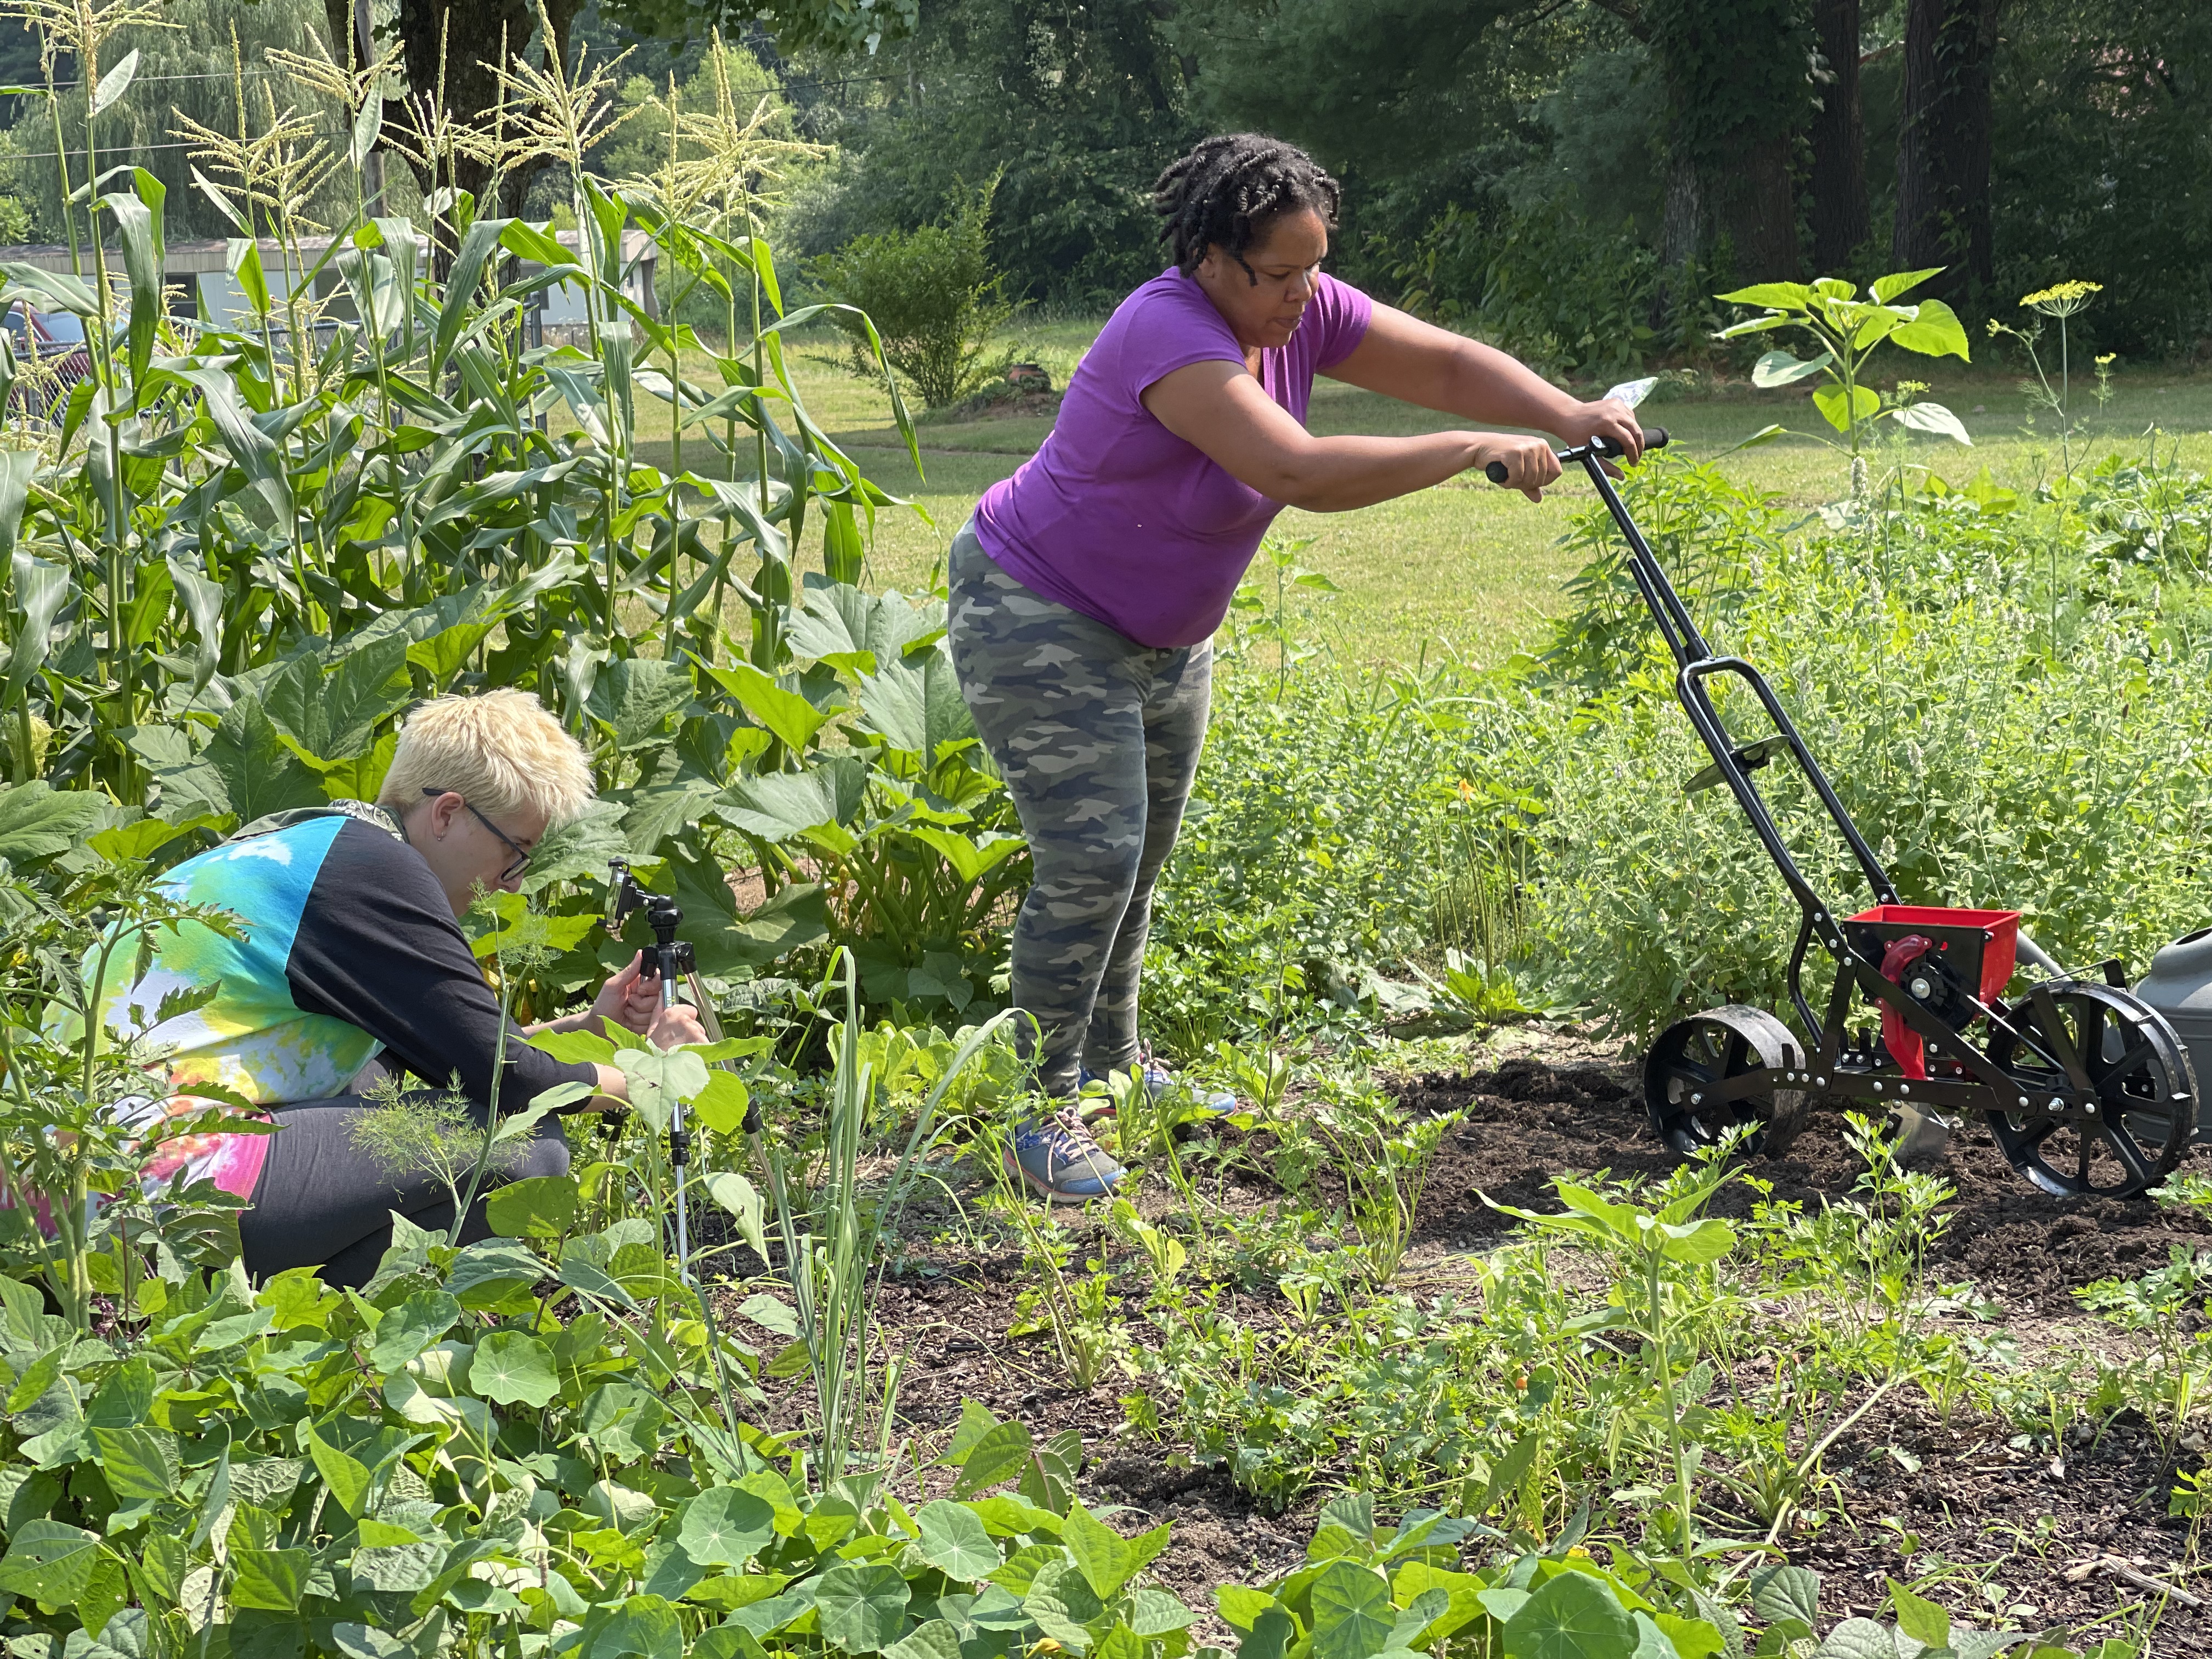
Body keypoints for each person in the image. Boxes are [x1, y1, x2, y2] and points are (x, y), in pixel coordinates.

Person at [951, 132, 1647, 1204]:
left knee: (1137, 863)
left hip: (1163, 637)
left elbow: (1448, 361)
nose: (1301, 294)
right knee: (1092, 860)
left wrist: (1566, 413)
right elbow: (1295, 469)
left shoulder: (1300, 307)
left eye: (1313, 267)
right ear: (1212, 257)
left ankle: (1118, 1070)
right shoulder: (1167, 333)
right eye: (1278, 274)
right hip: (1039, 614)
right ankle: (1034, 1108)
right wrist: (1470, 450)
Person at [71, 689, 706, 1286]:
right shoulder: (376, 870)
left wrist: (586, 1032)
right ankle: (348, 1326)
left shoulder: (320, 847)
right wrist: (659, 1076)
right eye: (517, 850)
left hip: (68, 1182)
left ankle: (302, 1316)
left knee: (379, 1084)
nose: (514, 880)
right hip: (143, 1191)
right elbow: (506, 1081)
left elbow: (454, 1059)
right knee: (523, 1147)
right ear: (449, 813)